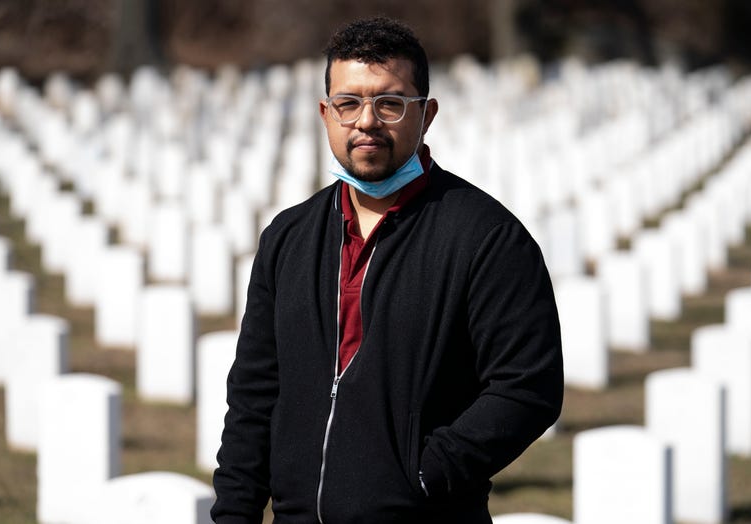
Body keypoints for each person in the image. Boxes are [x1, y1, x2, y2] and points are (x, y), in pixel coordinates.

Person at [211, 16, 563, 524]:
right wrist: (234, 515)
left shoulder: (487, 238)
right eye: (348, 103)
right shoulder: (288, 237)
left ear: (427, 114)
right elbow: (253, 396)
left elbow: (528, 386)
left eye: (390, 102)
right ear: (325, 113)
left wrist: (425, 473)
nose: (366, 121)